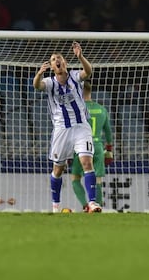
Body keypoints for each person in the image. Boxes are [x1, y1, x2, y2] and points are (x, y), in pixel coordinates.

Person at [33, 41, 102, 213]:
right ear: (52, 66)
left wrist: (81, 56)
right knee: (58, 169)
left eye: (59, 58)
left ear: (65, 63)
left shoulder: (74, 76)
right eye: (53, 59)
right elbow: (37, 86)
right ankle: (56, 206)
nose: (57, 60)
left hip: (81, 127)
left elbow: (88, 72)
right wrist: (39, 74)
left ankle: (92, 202)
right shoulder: (49, 82)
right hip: (61, 130)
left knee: (87, 162)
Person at [70, 81, 113, 212]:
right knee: (97, 179)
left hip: (81, 147)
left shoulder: (77, 109)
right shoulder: (102, 109)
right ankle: (96, 206)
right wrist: (109, 150)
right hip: (98, 147)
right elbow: (108, 132)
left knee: (75, 178)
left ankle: (85, 205)